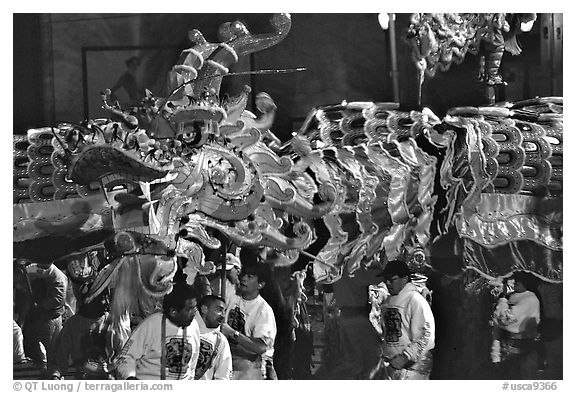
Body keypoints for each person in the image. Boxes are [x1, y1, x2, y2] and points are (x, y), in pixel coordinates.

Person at [114, 283, 201, 380]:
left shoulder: (194, 326)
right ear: (173, 312)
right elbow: (125, 358)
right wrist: (130, 379)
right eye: (189, 309)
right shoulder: (151, 325)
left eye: (195, 307)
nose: (194, 312)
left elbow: (193, 364)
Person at [378, 260, 435, 380]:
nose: (387, 283)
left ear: (404, 279)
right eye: (385, 279)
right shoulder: (388, 302)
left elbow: (426, 335)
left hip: (413, 368)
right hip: (392, 367)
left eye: (392, 279)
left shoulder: (415, 300)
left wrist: (406, 356)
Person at [220, 262, 277, 379]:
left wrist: (232, 332)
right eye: (244, 275)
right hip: (228, 364)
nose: (244, 279)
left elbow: (260, 347)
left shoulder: (263, 310)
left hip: (250, 370)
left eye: (250, 277)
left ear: (260, 285)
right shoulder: (232, 296)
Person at [48, 288, 112, 380]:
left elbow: (124, 358)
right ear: (89, 300)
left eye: (107, 297)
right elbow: (59, 357)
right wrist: (55, 376)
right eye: (102, 297)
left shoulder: (113, 322)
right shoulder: (73, 324)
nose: (107, 301)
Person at [491, 271, 541, 379]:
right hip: (511, 343)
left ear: (525, 284)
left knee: (512, 375)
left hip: (516, 345)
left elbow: (505, 320)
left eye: (517, 283)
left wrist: (503, 299)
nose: (513, 284)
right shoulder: (518, 295)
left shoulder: (530, 299)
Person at [24, 259, 68, 376]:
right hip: (39, 316)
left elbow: (58, 299)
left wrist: (41, 304)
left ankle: (54, 375)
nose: (39, 268)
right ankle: (42, 367)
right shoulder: (40, 271)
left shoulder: (58, 276)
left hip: (51, 318)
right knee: (30, 340)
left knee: (52, 349)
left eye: (42, 266)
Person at [194, 295, 232, 380]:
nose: (223, 315)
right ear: (204, 309)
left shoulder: (221, 341)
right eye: (219, 310)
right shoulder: (186, 329)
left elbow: (223, 376)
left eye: (224, 311)